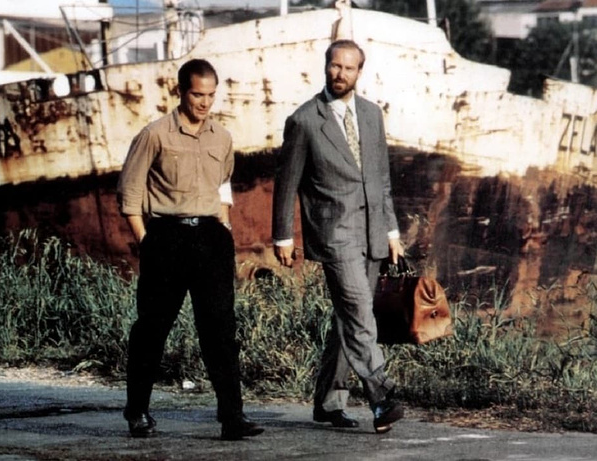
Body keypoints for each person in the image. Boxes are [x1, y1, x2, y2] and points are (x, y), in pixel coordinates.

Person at [117, 58, 263, 441]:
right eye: (198, 95)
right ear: (180, 91)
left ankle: (232, 417)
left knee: (220, 330)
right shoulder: (154, 135)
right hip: (166, 238)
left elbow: (223, 185)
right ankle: (137, 411)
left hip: (211, 240)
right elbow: (129, 193)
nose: (205, 103)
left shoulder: (222, 137)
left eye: (211, 95)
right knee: (153, 328)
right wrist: (146, 240)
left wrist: (224, 226)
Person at [271, 39, 405, 434]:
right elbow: (286, 182)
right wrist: (283, 235)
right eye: (334, 65)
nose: (339, 73)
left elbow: (381, 178)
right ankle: (381, 397)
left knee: (347, 317)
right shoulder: (304, 120)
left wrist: (392, 230)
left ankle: (329, 402)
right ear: (326, 66)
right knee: (360, 313)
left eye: (348, 67)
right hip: (335, 234)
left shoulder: (371, 114)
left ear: (359, 71)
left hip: (373, 231)